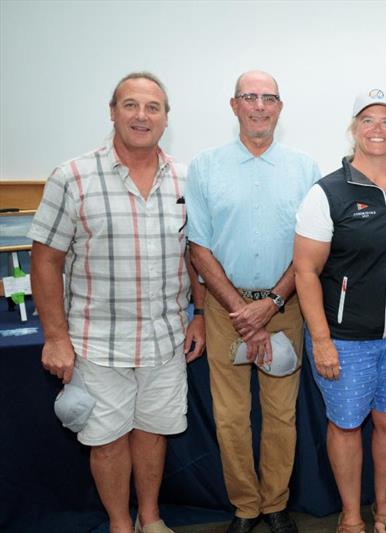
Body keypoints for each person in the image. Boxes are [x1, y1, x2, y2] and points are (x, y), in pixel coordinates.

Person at [30, 71, 206, 533]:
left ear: (166, 119)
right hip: (95, 341)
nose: (141, 116)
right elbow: (45, 262)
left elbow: (195, 254)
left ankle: (150, 519)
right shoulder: (71, 177)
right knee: (106, 440)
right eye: (131, 105)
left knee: (153, 433)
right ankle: (118, 525)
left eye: (153, 107)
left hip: (165, 338)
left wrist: (201, 316)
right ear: (112, 112)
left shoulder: (187, 179)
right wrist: (55, 337)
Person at [185, 70, 320, 533]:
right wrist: (242, 311)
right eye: (250, 97)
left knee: (282, 416)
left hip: (287, 304)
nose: (259, 106)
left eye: (269, 98)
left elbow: (313, 247)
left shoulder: (305, 168)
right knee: (230, 418)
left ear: (280, 107)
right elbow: (198, 247)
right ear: (234, 105)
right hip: (227, 308)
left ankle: (276, 504)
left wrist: (272, 304)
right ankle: (245, 507)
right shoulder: (204, 166)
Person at [294, 90, 386, 533]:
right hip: (344, 340)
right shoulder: (327, 192)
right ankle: (350, 514)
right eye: (368, 120)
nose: (377, 128)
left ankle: (383, 506)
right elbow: (305, 272)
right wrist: (323, 340)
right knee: (347, 426)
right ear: (353, 129)